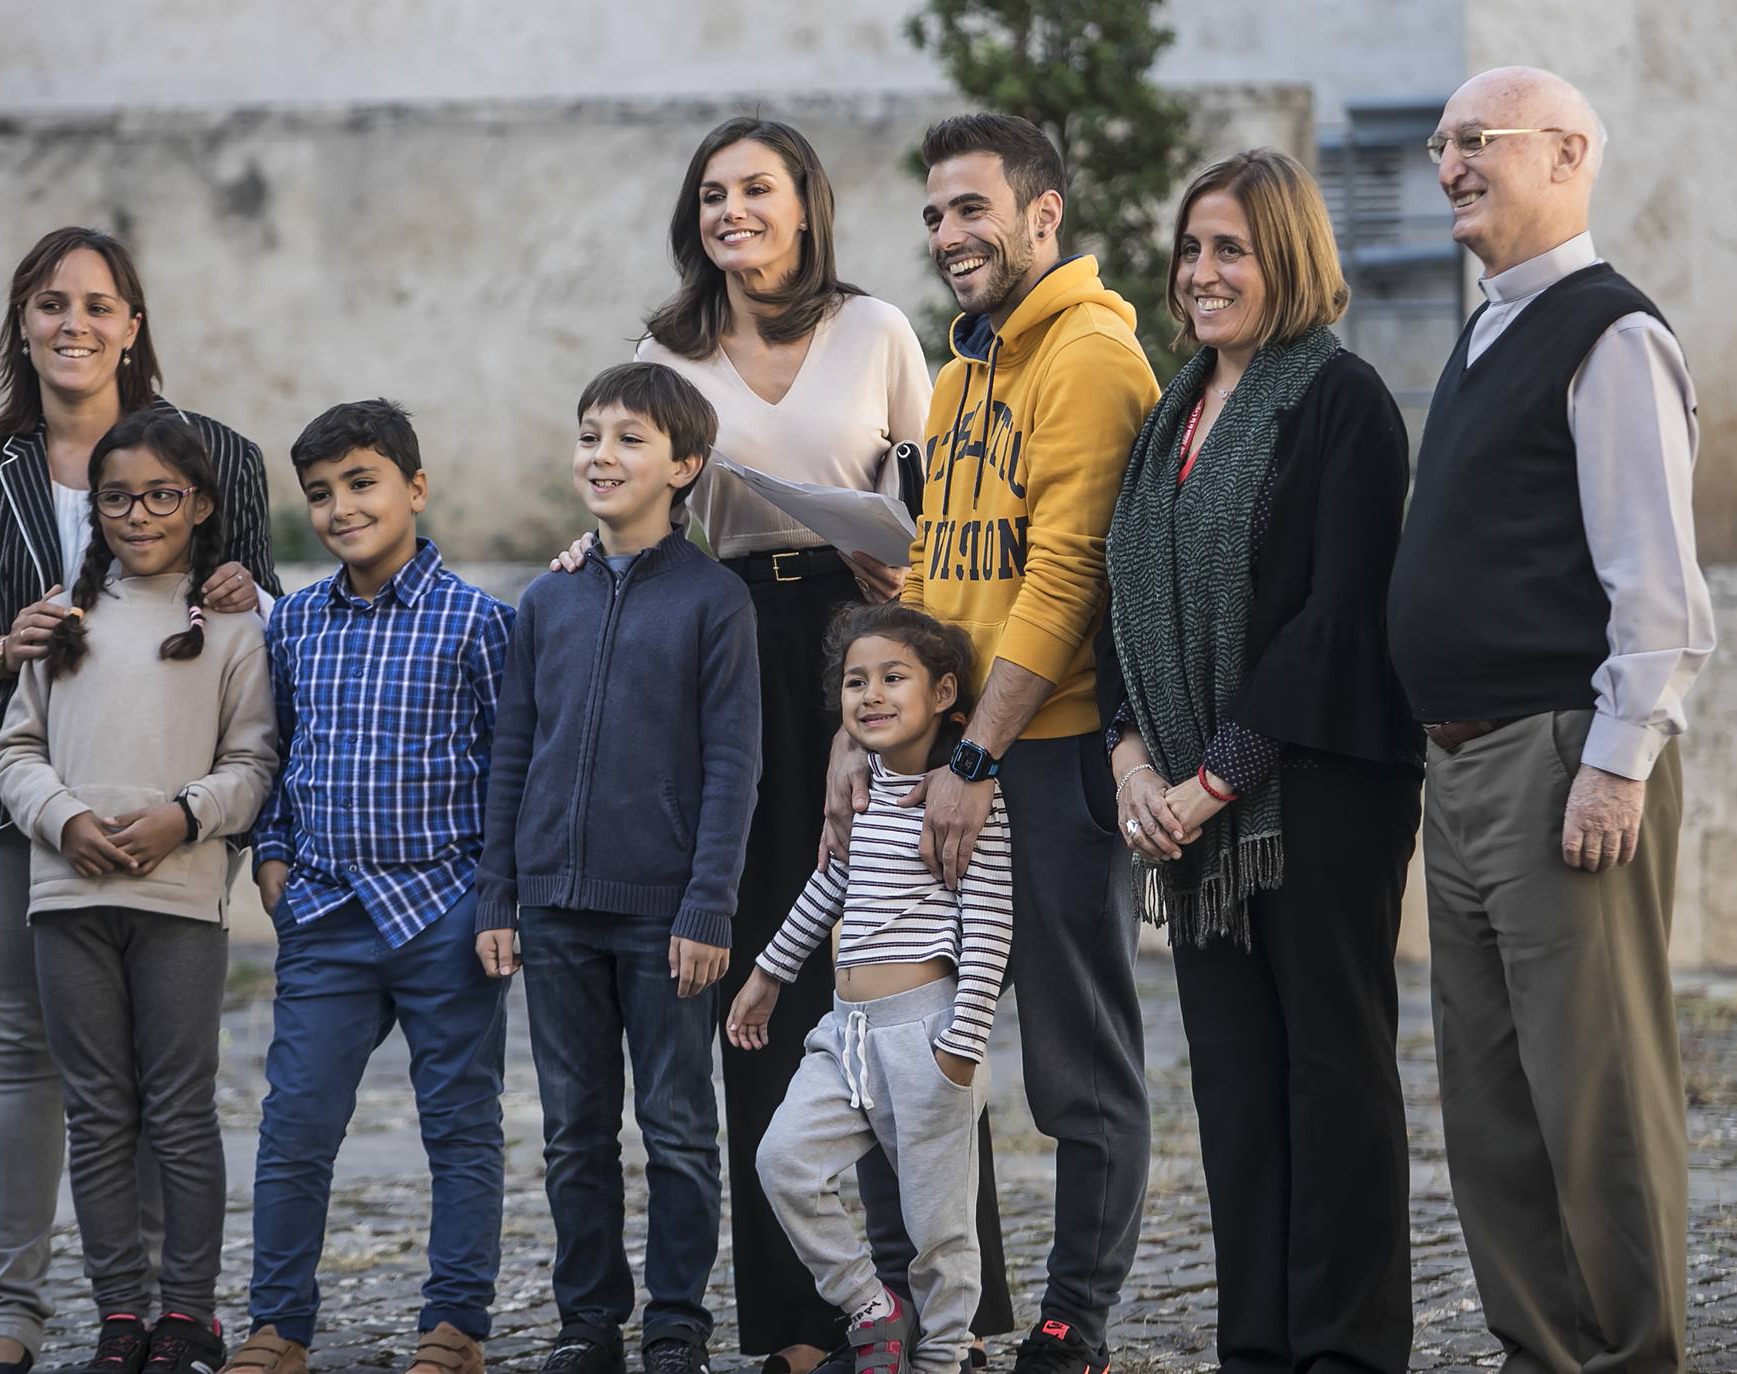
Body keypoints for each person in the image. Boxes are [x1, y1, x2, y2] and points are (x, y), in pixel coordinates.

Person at [569, 114, 1018, 1374]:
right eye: (712, 195)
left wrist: (903, 577)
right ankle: (800, 1322)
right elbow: (625, 491)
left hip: (862, 639)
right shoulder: (662, 350)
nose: (732, 213)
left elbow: (939, 497)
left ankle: (953, 1309)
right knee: (764, 963)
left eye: (756, 189)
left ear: (804, 205)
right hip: (720, 652)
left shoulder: (877, 329)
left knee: (906, 958)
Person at [0, 225, 276, 1374]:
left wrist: (258, 587)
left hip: (163, 802)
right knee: (13, 1044)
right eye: (50, 304)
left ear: (132, 327)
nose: (74, 324)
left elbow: (259, 627)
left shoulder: (217, 456)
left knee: (159, 1068)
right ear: (23, 323)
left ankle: (157, 1311)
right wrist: (1, 647)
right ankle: (7, 1312)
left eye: (99, 305)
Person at [1387, 67, 1714, 1374]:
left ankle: (1633, 1356)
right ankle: (1540, 1349)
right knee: (1491, 1101)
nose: (1450, 163)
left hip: (1556, 757)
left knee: (1596, 1097)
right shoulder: (1481, 334)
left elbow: (1657, 584)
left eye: (1479, 141)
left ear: (1566, 151)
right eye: (1439, 143)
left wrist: (1614, 762)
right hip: (1461, 765)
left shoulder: (1606, 332)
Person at [828, 113, 1160, 1374]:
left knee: (1078, 1058)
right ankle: (939, 1303)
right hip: (945, 755)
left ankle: (1078, 1320)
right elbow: (956, 570)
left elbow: (1068, 575)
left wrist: (972, 763)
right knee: (912, 1049)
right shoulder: (962, 378)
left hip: (1045, 757)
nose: (948, 234)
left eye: (971, 209)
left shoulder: (1087, 359)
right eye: (932, 214)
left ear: (1041, 214)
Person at [1103, 149, 1422, 1372]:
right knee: (1235, 1095)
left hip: (1316, 796)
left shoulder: (1337, 400)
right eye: (1189, 250)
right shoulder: (1170, 415)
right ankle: (1256, 1350)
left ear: (1284, 255)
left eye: (1227, 248)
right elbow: (1120, 598)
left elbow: (1335, 612)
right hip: (1188, 816)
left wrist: (1212, 778)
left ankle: (1341, 1352)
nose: (1200, 272)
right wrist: (1134, 761)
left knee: (1331, 1082)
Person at [476, 362, 761, 1374]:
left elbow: (733, 765)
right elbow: (512, 752)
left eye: (629, 438)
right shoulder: (540, 603)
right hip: (551, 907)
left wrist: (708, 907)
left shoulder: (714, 602)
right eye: (589, 433)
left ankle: (677, 1317)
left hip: (663, 916)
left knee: (678, 1125)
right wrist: (497, 894)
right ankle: (587, 1320)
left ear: (684, 466)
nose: (600, 454)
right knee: (572, 1131)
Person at [0, 411, 278, 1374]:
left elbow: (253, 761)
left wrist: (184, 815)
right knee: (99, 1111)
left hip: (179, 901)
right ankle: (121, 1314)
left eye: (162, 494)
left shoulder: (232, 624)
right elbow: (13, 749)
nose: (139, 513)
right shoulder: (62, 617)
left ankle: (188, 1315)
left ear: (198, 504)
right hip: (67, 901)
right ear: (95, 510)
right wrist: (64, 820)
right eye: (117, 497)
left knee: (179, 1109)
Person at [230, 401, 514, 1374]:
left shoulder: (480, 625)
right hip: (324, 914)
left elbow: (506, 774)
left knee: (460, 1127)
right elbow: (275, 752)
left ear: (413, 489)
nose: (341, 507)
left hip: (444, 912)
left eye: (361, 483)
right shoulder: (298, 622)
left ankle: (455, 1326)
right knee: (296, 1125)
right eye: (319, 494)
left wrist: (495, 898)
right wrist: (272, 863)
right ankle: (276, 1325)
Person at [730, 602, 1012, 1374]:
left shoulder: (965, 803)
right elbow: (826, 891)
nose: (871, 695)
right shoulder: (862, 794)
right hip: (843, 1035)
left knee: (939, 1230)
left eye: (893, 678)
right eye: (856, 682)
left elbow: (989, 924)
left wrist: (962, 1044)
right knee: (781, 1162)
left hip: (926, 1039)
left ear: (944, 693)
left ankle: (943, 1358)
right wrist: (765, 975)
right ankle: (868, 1305)